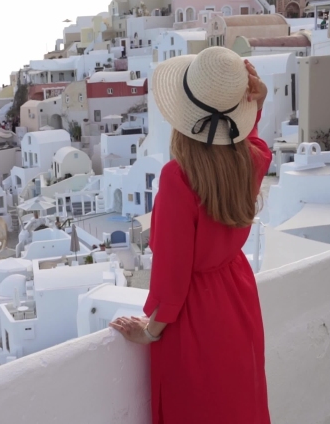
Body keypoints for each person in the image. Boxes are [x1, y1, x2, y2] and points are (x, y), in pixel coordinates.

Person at [110, 47, 272, 424]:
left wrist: (150, 332)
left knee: (196, 409)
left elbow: (172, 275)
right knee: (239, 404)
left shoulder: (178, 177)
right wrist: (257, 106)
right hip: (238, 300)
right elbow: (254, 143)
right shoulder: (250, 160)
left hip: (195, 318)